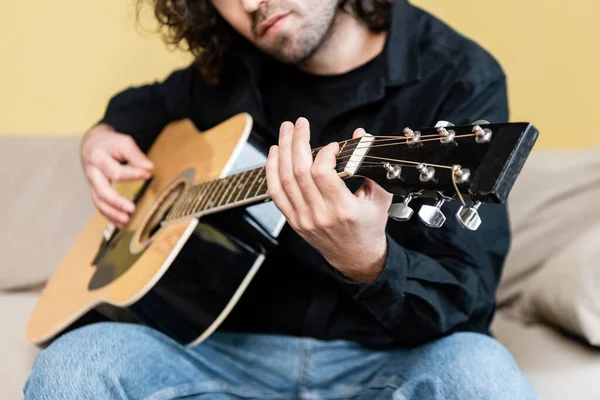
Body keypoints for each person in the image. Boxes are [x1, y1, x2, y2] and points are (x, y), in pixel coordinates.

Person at [24, 0, 538, 398]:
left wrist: (367, 261)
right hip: (218, 355)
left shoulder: (459, 76)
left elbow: (466, 300)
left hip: (384, 362)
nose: (250, 4)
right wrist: (100, 135)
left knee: (479, 372)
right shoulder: (229, 71)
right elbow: (142, 105)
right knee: (75, 365)